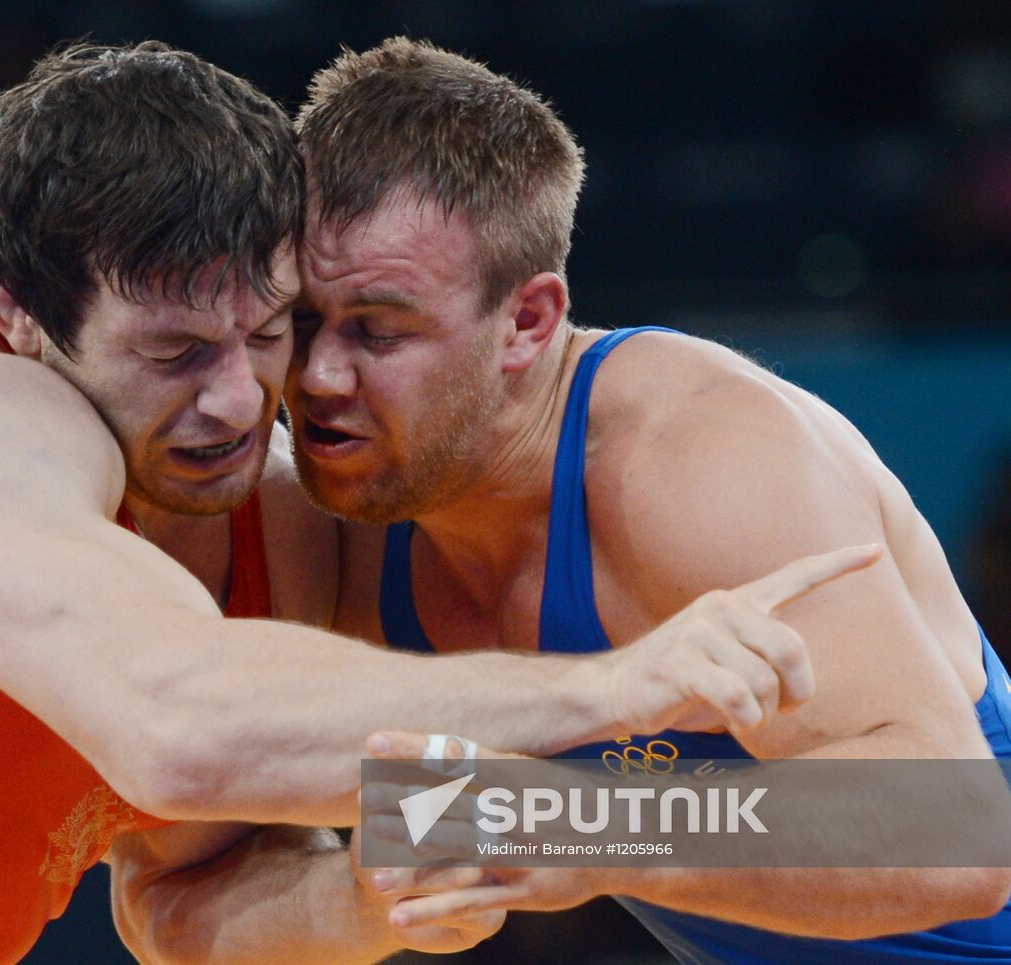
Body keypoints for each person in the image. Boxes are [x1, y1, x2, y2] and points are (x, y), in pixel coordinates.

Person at [0, 40, 855, 965]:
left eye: (264, 331)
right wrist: (609, 694)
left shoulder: (277, 511)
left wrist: (367, 901)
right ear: (17, 315)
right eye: (167, 355)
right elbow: (179, 731)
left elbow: (176, 899)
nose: (232, 401)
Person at [116, 36, 1011, 965]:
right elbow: (163, 901)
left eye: (380, 331)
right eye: (298, 323)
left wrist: (576, 825)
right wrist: (359, 904)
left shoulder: (695, 459)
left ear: (529, 321)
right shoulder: (325, 523)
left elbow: (963, 832)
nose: (322, 377)